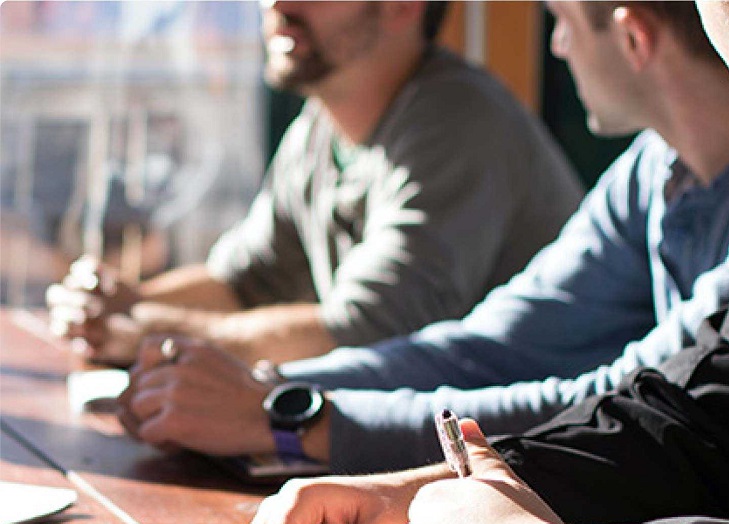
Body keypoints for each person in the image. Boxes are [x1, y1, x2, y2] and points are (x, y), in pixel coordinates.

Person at [116, 1, 729, 470]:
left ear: (635, 38)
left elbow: (628, 404)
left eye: (557, 20)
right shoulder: (655, 168)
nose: (555, 46)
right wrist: (273, 385)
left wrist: (291, 416)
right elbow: (494, 343)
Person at [46, 1, 583, 367]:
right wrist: (120, 303)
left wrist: (146, 332)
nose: (275, 3)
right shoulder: (321, 125)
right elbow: (243, 282)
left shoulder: (458, 123)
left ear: (403, 5)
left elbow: (364, 334)